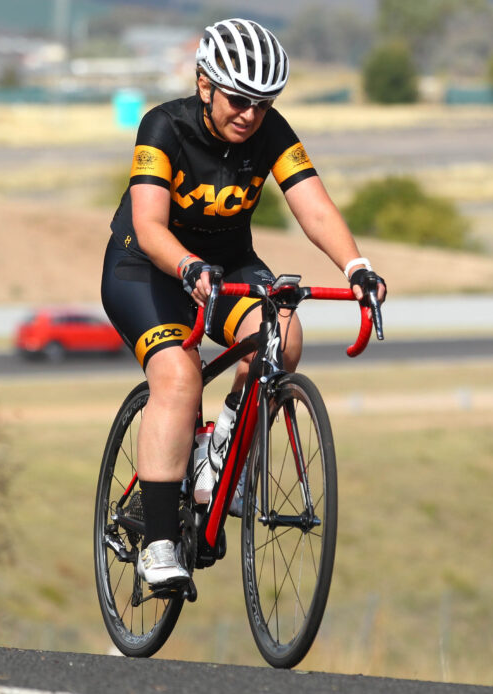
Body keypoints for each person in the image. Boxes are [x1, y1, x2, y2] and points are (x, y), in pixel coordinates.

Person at [101, 17, 386, 588]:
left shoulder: (271, 132)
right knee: (179, 378)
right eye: (238, 99)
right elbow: (151, 225)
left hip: (227, 266)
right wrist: (187, 266)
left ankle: (221, 447)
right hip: (148, 267)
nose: (250, 114)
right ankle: (158, 543)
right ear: (205, 84)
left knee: (286, 336)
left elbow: (315, 208)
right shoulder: (163, 126)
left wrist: (356, 267)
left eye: (263, 102)